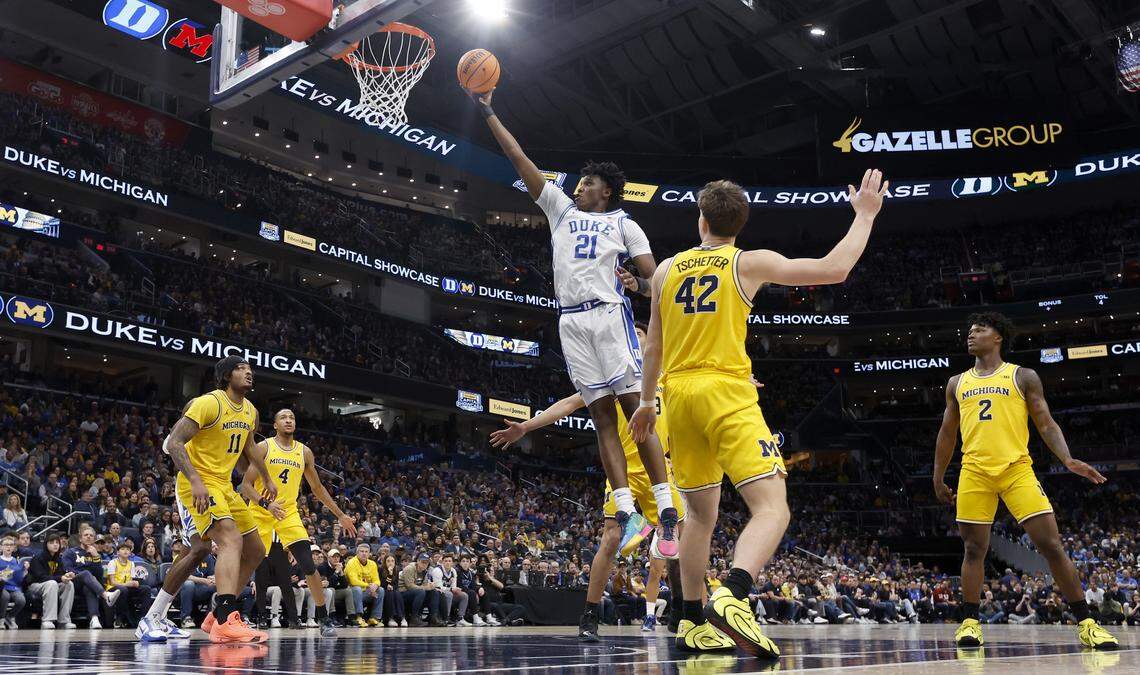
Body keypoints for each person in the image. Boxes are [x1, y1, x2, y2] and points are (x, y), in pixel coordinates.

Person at [630, 174, 888, 657]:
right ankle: (732, 594)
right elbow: (834, 269)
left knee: (699, 518)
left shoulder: (665, 270)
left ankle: (689, 623)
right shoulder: (748, 262)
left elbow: (655, 348)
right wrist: (866, 214)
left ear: (701, 220)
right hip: (726, 391)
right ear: (740, 224)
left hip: (677, 396)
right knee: (773, 507)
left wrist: (647, 404)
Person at [470, 86, 677, 558]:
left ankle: (664, 502)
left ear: (606, 191)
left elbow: (654, 280)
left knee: (632, 408)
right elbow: (518, 157)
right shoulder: (560, 209)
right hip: (570, 322)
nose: (579, 187)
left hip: (609, 315)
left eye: (587, 183)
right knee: (601, 414)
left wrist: (638, 287)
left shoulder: (625, 224)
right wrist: (488, 112)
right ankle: (624, 505)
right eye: (578, 183)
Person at [932, 312, 1119, 650]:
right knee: (974, 549)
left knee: (1050, 545)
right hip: (974, 470)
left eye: (980, 330)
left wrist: (1068, 459)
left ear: (998, 337)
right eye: (969, 330)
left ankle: (1087, 624)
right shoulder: (956, 382)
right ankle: (970, 624)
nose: (971, 334)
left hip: (1017, 468)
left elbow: (1045, 423)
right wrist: (938, 475)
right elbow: (947, 433)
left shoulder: (1023, 376)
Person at [491, 321, 688, 641]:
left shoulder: (665, 375)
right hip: (623, 472)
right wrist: (526, 427)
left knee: (678, 543)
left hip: (659, 470)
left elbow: (696, 382)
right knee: (611, 538)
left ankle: (681, 609)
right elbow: (569, 404)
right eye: (632, 334)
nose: (635, 337)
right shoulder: (613, 379)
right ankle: (590, 614)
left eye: (641, 334)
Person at [163, 356, 277, 643]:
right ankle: (228, 617)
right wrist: (196, 480)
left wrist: (266, 477)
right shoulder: (208, 403)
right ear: (226, 375)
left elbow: (250, 448)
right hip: (198, 482)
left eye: (250, 369)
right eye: (240, 368)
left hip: (225, 484)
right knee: (229, 539)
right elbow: (174, 443)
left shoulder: (250, 410)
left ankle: (215, 616)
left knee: (256, 550)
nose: (248, 372)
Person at [240, 408, 357, 636]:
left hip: (288, 513)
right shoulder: (265, 448)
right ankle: (223, 615)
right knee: (247, 567)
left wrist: (340, 515)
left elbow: (318, 488)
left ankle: (324, 618)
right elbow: (245, 485)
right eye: (282, 417)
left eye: (291, 417)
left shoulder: (304, 453)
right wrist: (266, 504)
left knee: (308, 564)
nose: (288, 420)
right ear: (275, 424)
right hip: (260, 511)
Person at [26, 531, 76, 629]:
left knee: (69, 584)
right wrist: (60, 578)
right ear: (46, 544)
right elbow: (40, 577)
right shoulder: (38, 557)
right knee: (52, 583)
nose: (55, 545)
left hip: (50, 585)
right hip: (35, 585)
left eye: (57, 542)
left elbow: (60, 575)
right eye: (52, 542)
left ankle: (64, 620)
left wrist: (67, 575)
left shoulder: (58, 559)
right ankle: (47, 620)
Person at [63, 527, 111, 629]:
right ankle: (106, 595)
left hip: (88, 585)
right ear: (80, 539)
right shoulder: (70, 552)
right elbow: (67, 569)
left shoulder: (95, 554)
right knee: (85, 573)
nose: (88, 537)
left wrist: (96, 557)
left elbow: (99, 575)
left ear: (94, 539)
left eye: (91, 535)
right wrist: (84, 574)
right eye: (86, 535)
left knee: (89, 588)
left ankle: (94, 619)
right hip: (72, 583)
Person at [105, 543, 144, 627]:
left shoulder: (131, 564)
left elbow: (132, 580)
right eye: (123, 549)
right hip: (113, 588)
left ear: (130, 552)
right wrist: (127, 584)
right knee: (123, 589)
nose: (125, 551)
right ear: (118, 552)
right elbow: (112, 582)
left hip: (126, 588)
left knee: (146, 589)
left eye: (128, 549)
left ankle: (143, 618)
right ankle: (119, 617)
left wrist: (135, 583)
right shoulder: (113, 562)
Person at [345, 543, 383, 627]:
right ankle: (358, 617)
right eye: (361, 551)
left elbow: (377, 580)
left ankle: (374, 618)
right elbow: (353, 581)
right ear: (357, 553)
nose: (364, 553)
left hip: (366, 592)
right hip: (352, 593)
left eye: (366, 551)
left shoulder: (372, 564)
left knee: (380, 590)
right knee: (357, 588)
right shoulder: (351, 563)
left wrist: (375, 586)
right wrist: (369, 585)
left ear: (369, 554)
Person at [399, 554, 442, 627]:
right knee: (421, 592)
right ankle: (414, 618)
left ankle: (433, 617)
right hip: (403, 592)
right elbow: (410, 586)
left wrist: (431, 586)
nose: (425, 564)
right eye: (423, 562)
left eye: (426, 562)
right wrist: (426, 588)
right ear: (418, 561)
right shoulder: (409, 568)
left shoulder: (424, 571)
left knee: (434, 592)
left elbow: (425, 585)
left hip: (416, 593)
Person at [0, 534, 25, 629]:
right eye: (6, 544)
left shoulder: (16, 561)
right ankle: (1, 619)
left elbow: (19, 579)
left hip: (13, 587)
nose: (8, 547)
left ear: (14, 547)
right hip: (2, 587)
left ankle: (10, 617)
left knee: (21, 600)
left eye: (11, 544)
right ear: (1, 547)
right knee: (5, 596)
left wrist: (24, 572)